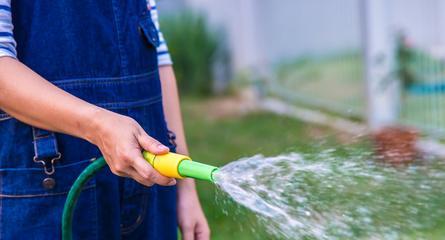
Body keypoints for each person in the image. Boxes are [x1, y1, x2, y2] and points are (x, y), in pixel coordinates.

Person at [0, 0, 210, 239]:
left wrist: (185, 186)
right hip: (50, 183)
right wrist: (99, 126)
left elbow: (156, 51)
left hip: (150, 177)